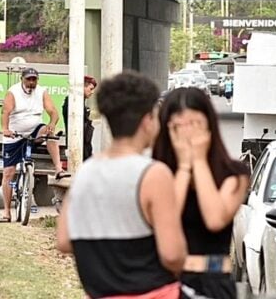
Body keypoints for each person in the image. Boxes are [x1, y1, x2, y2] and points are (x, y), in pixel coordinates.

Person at [57, 71, 187, 299]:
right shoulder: (154, 174)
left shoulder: (84, 173)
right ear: (147, 120)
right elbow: (173, 255)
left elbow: (64, 240)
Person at [152, 87, 250, 299]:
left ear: (209, 126)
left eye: (196, 124)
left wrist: (198, 161)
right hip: (165, 282)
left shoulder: (234, 173)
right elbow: (167, 221)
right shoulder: (156, 172)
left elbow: (215, 219)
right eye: (179, 126)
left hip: (214, 281)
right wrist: (184, 168)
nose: (188, 133)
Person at [0, 67, 67, 223]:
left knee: (50, 133)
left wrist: (51, 123)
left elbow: (53, 111)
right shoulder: (13, 92)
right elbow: (5, 112)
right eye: (28, 79)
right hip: (15, 135)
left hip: (35, 130)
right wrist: (5, 129)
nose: (31, 82)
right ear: (22, 79)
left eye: (34, 79)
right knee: (8, 173)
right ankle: (7, 212)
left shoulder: (42, 92)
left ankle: (58, 169)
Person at [61, 75, 97, 161]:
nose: (92, 92)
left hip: (84, 145)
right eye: (90, 89)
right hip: (79, 144)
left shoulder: (79, 103)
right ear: (82, 87)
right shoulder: (72, 103)